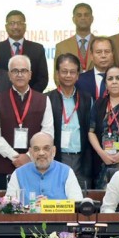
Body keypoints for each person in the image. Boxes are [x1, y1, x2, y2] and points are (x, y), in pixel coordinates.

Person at [0, 54, 55, 189]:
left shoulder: (43, 100)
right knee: (4, 206)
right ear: (9, 75)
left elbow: (48, 133)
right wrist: (14, 156)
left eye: (23, 71)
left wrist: (29, 156)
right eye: (15, 71)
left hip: (35, 164)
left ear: (30, 74)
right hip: (4, 165)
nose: (19, 74)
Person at [47, 54, 94, 189]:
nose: (68, 75)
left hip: (81, 158)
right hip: (58, 157)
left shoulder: (86, 98)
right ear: (57, 74)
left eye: (72, 72)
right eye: (64, 71)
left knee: (81, 199)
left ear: (78, 75)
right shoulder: (48, 99)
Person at [5, 132, 83, 203]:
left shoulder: (67, 172)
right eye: (36, 149)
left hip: (58, 218)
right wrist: (32, 208)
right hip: (28, 218)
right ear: (31, 152)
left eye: (46, 148)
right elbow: (8, 206)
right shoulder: (18, 174)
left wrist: (49, 206)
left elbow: (77, 203)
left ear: (54, 151)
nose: (41, 153)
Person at [0, 10, 48, 92]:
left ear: (25, 26)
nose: (15, 27)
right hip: (3, 98)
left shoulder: (37, 49)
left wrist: (28, 95)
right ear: (6, 27)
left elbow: (43, 78)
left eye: (19, 23)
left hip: (31, 99)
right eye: (12, 23)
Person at [54, 3, 95, 71]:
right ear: (73, 19)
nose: (83, 18)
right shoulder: (61, 46)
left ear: (92, 18)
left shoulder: (103, 44)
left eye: (86, 15)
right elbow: (57, 76)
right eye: (79, 15)